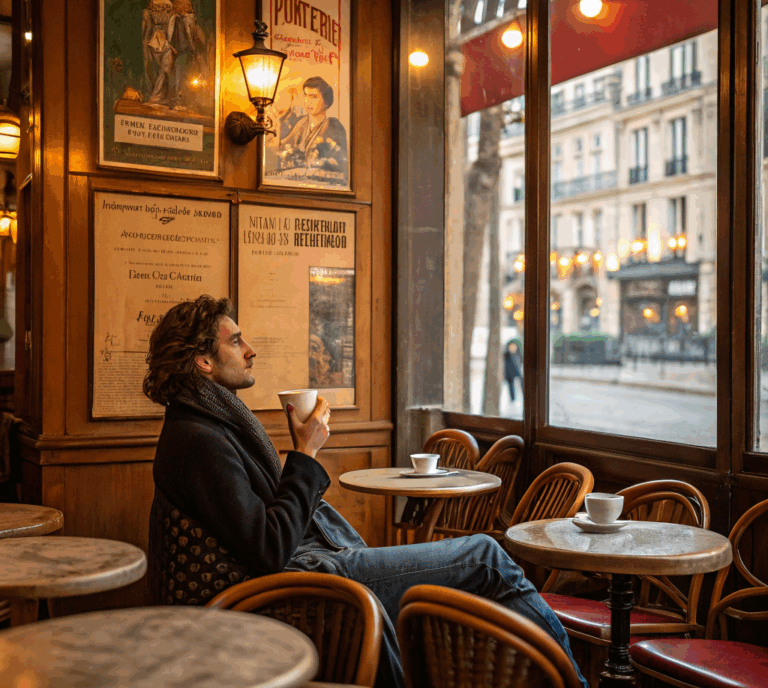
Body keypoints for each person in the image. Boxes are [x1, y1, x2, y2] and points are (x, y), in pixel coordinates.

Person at [145, 295, 587, 688]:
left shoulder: (207, 423)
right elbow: (269, 548)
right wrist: (305, 453)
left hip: (289, 579)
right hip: (270, 597)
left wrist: (302, 456)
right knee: (487, 558)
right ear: (203, 362)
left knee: (464, 577)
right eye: (236, 341)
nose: (250, 349)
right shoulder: (199, 439)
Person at [277, 76, 348, 174]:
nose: (307, 101)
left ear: (326, 102)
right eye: (305, 95)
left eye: (313, 97)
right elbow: (283, 145)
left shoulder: (334, 126)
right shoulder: (301, 123)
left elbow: (341, 160)